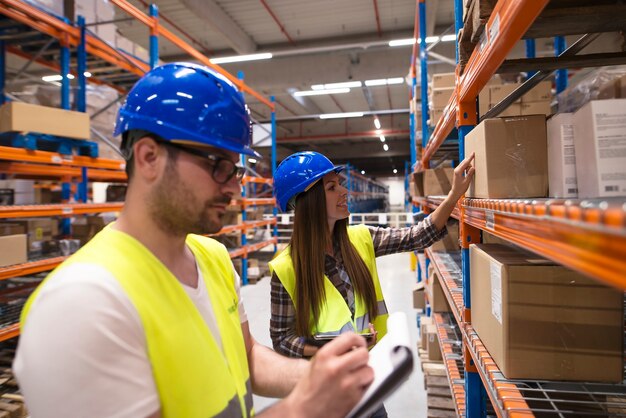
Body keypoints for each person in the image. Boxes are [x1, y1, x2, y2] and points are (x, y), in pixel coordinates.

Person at [13, 63, 375, 418]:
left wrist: (316, 375)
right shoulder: (84, 301)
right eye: (218, 165)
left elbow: (245, 355)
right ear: (149, 157)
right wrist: (302, 409)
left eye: (236, 169)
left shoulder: (213, 257)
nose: (234, 186)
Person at [269, 151, 475, 417]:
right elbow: (282, 340)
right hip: (323, 390)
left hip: (365, 380)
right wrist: (328, 346)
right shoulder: (286, 268)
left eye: (340, 183)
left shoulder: (361, 238)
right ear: (308, 203)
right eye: (332, 187)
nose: (345, 191)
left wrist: (454, 195)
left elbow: (416, 236)